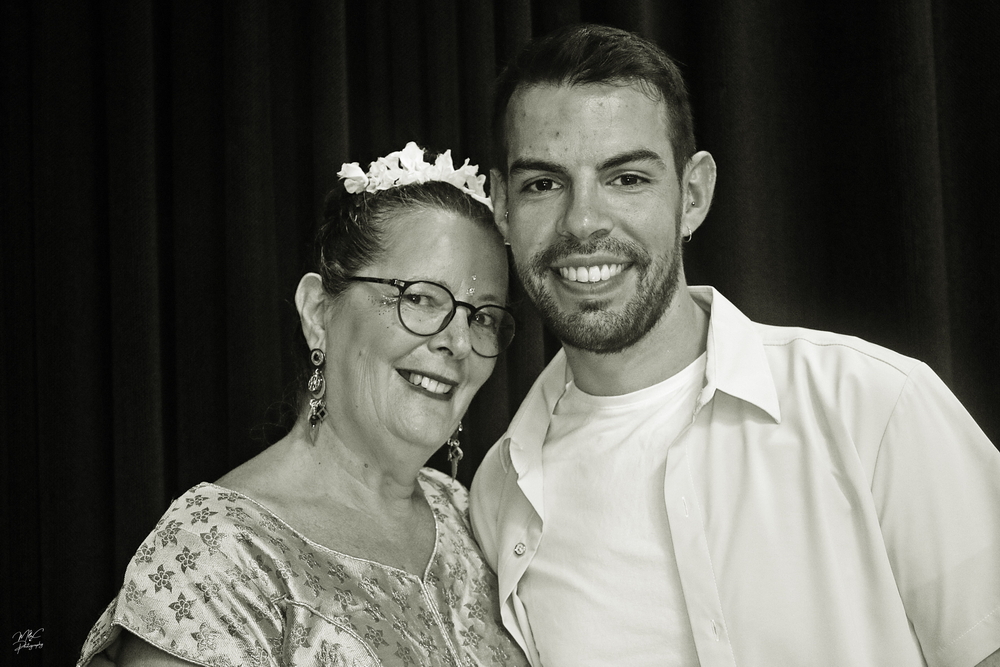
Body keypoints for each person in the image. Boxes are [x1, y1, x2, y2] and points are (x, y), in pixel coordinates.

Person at [470, 23, 1000, 667]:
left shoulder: (875, 406)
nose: (582, 222)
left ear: (692, 195)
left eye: (627, 178)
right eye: (543, 184)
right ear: (502, 207)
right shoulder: (502, 495)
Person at [77, 142, 527, 667]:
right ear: (318, 311)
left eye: (483, 317)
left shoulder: (471, 518)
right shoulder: (217, 552)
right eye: (421, 298)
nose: (459, 341)